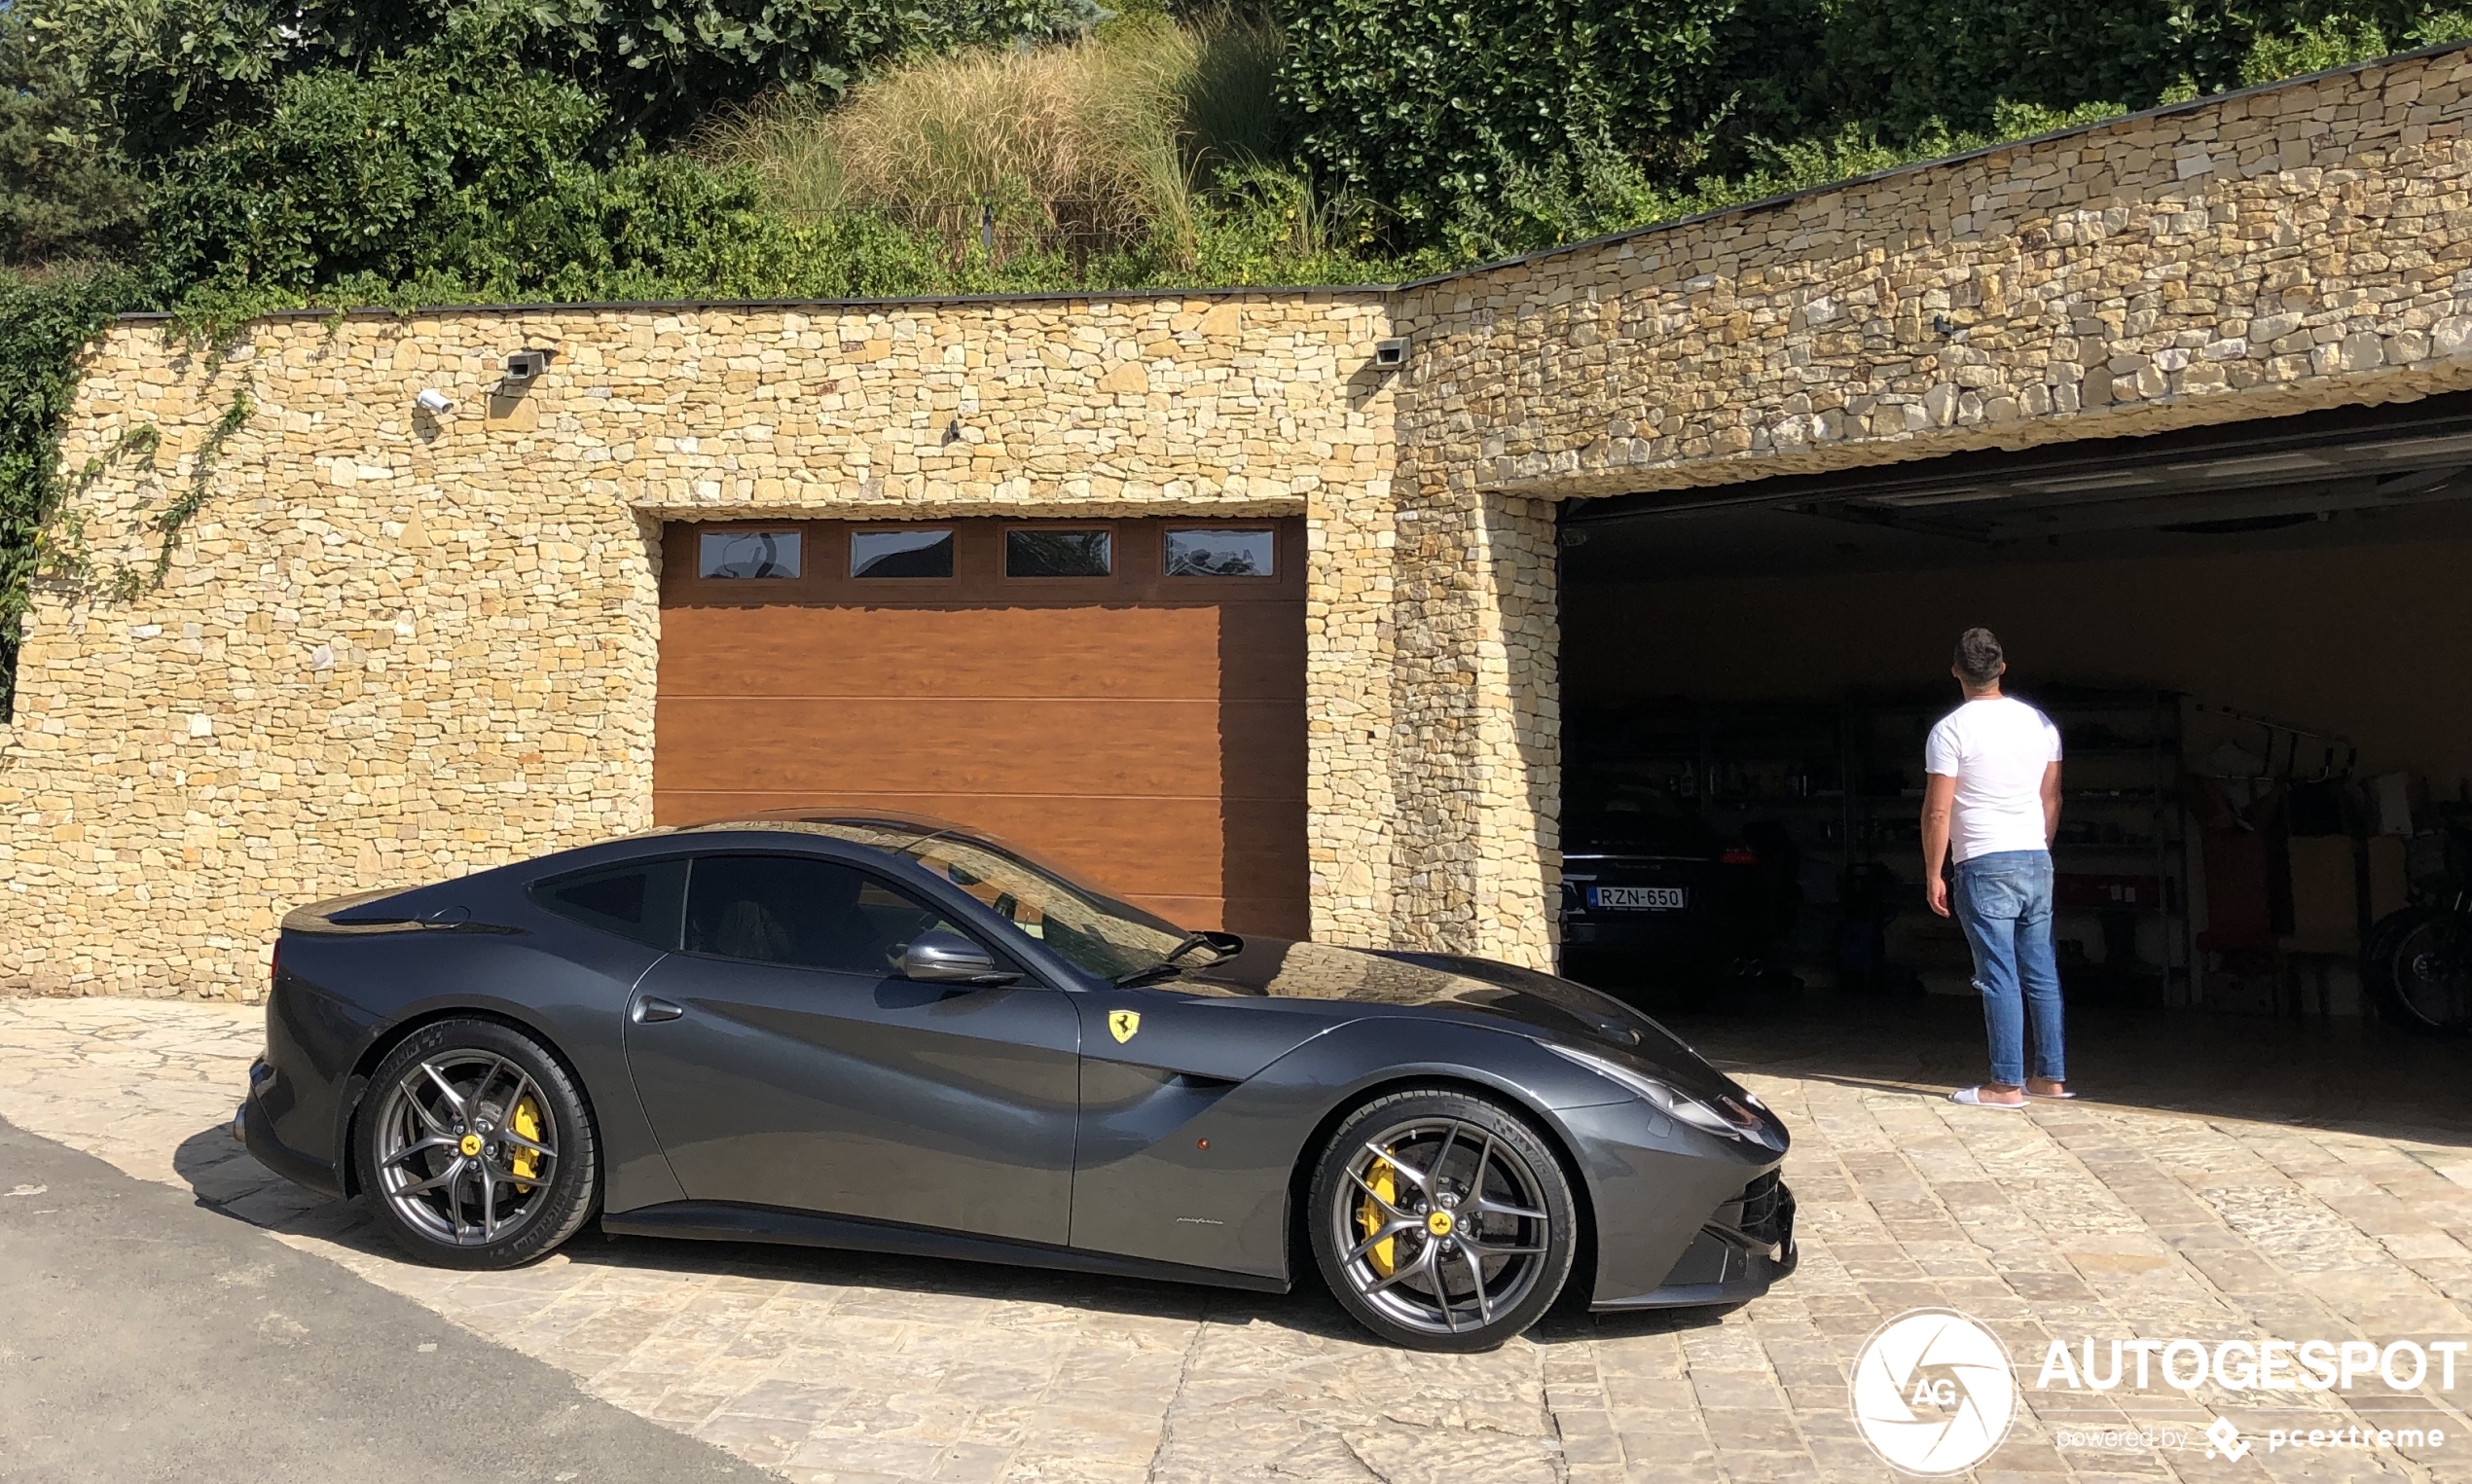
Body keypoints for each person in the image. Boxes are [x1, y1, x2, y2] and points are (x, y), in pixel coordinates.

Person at [1921, 628, 2071, 1108]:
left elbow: (1938, 811)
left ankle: (2004, 1084)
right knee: (2041, 969)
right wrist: (2039, 848)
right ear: (2002, 668)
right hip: (2034, 855)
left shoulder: (1950, 730)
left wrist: (1932, 871)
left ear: (1956, 672)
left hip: (1984, 860)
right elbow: (2052, 797)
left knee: (1998, 974)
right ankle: (2050, 1078)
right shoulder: (2041, 724)